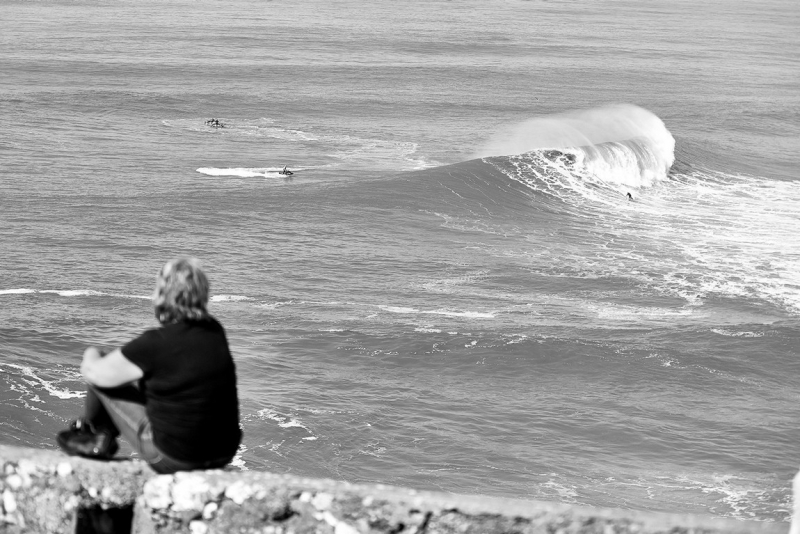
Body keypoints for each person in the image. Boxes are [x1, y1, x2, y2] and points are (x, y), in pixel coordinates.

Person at [56, 258, 241, 474]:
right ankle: (98, 436)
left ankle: (95, 437)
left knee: (102, 370)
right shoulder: (214, 332)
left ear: (163, 294)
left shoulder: (156, 342)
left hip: (174, 459)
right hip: (223, 453)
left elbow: (94, 374)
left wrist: (91, 353)